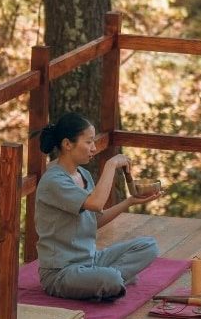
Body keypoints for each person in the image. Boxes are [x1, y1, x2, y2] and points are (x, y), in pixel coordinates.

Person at [36, 113, 160, 301]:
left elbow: (95, 219)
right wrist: (111, 164)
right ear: (67, 144)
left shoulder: (83, 174)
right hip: (61, 272)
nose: (94, 148)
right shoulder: (54, 180)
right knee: (111, 278)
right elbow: (96, 203)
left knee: (149, 246)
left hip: (91, 260)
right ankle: (109, 282)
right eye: (88, 142)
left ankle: (104, 283)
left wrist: (129, 202)